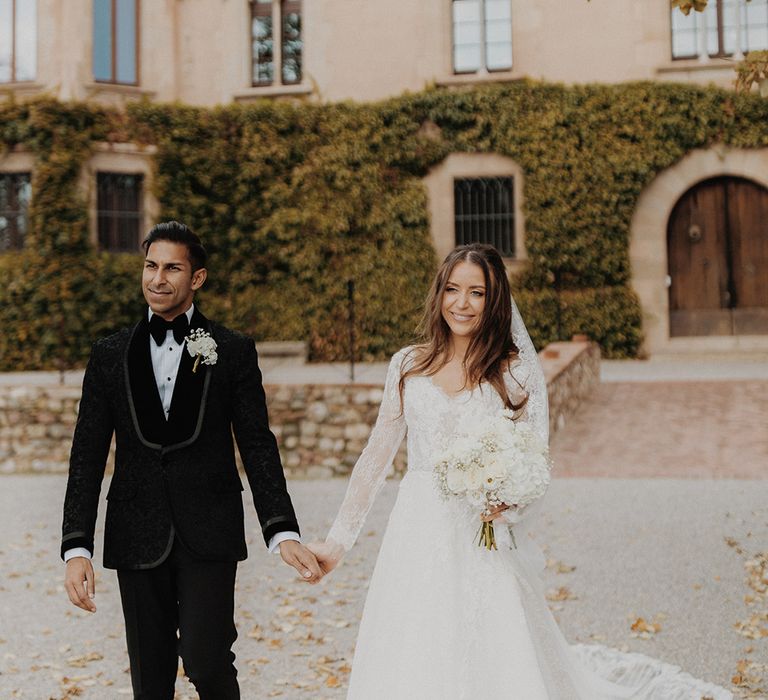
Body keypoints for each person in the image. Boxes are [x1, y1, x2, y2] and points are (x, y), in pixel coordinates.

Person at [308, 243, 732, 699]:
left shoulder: (515, 373)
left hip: (480, 532)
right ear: (438, 294)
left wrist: (508, 502)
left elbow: (532, 462)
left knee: (492, 642)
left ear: (496, 301)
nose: (462, 304)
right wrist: (338, 541)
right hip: (417, 528)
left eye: (477, 293)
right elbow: (375, 458)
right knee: (416, 639)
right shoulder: (408, 365)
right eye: (452, 290)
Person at [61, 221, 323, 700]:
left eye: (171, 268)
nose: (157, 279)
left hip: (210, 531)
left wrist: (281, 530)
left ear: (196, 278)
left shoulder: (233, 350)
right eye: (150, 266)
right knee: (150, 680)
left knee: (207, 660)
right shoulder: (108, 354)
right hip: (135, 532)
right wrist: (76, 547)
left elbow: (257, 444)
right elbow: (87, 453)